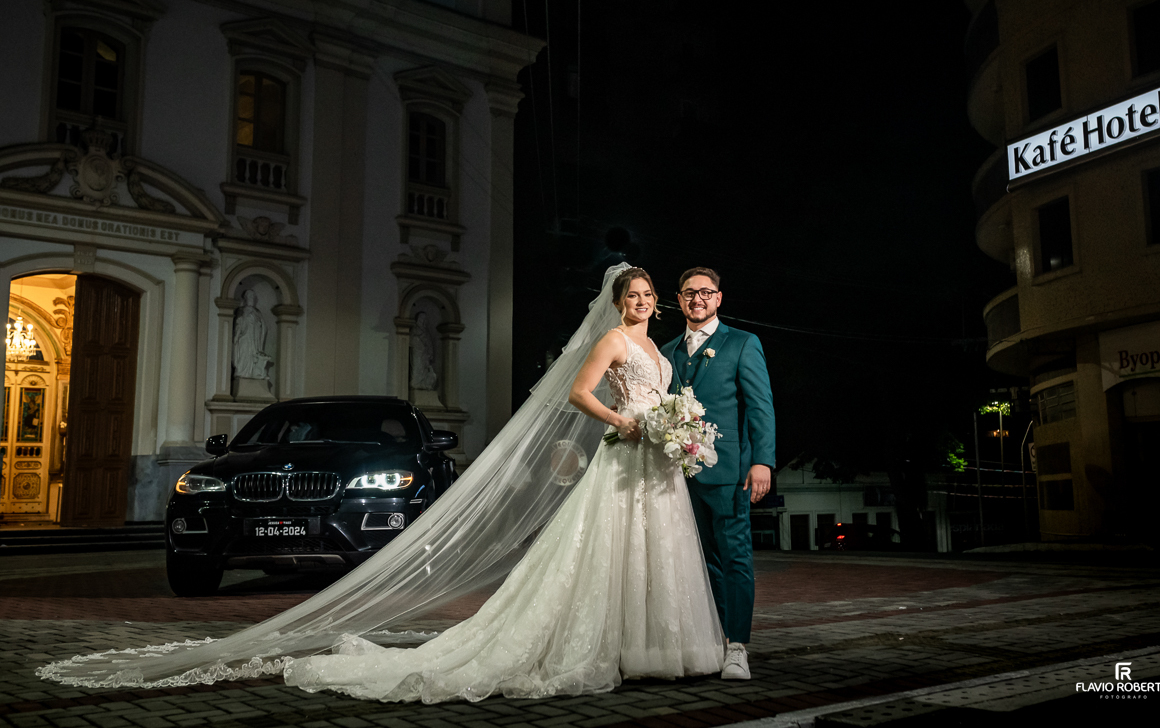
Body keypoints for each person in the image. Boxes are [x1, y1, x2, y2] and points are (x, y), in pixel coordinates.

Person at [38, 265, 723, 702]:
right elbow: (578, 393)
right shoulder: (609, 343)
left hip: (653, 464)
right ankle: (613, 643)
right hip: (623, 452)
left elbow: (660, 397)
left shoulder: (657, 350)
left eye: (645, 295)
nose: (638, 302)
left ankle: (653, 645)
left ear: (655, 303)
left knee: (655, 553)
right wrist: (626, 422)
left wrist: (671, 425)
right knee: (612, 551)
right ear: (616, 302)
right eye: (629, 295)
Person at [661, 267, 776, 680]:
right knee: (694, 561)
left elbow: (760, 406)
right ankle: (708, 641)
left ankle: (737, 647)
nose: (698, 299)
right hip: (676, 476)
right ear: (678, 300)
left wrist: (762, 461)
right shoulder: (667, 350)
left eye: (706, 293)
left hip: (728, 472)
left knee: (734, 558)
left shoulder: (743, 343)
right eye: (690, 293)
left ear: (719, 299)